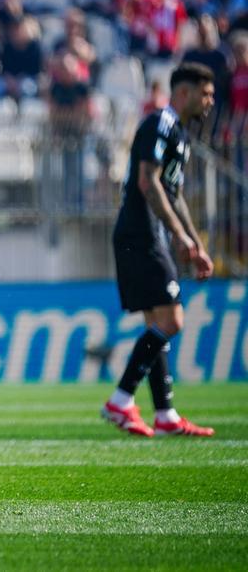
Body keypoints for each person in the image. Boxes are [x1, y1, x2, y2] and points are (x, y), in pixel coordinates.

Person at [104, 62, 217, 438]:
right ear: (183, 93)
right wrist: (178, 236)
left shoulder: (179, 134)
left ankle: (165, 414)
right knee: (172, 321)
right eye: (205, 94)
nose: (210, 102)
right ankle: (121, 401)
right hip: (141, 233)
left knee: (157, 325)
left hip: (148, 233)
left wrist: (194, 242)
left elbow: (173, 193)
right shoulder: (159, 124)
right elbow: (148, 182)